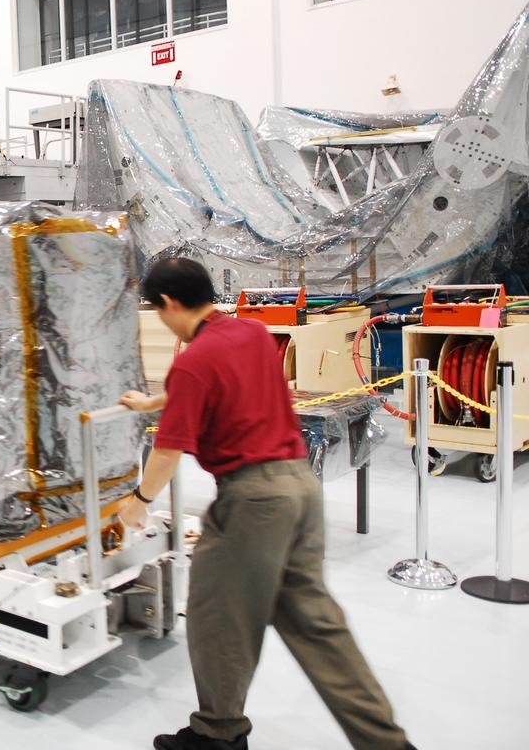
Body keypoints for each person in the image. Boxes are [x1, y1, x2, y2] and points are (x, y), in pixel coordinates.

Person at [116, 258, 413, 750]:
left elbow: (166, 452)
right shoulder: (252, 333)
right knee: (318, 628)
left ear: (168, 304)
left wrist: (138, 500)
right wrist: (153, 402)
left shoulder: (192, 361)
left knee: (216, 616)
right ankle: (387, 742)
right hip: (300, 489)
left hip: (253, 502)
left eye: (158, 311)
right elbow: (217, 380)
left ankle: (217, 734)